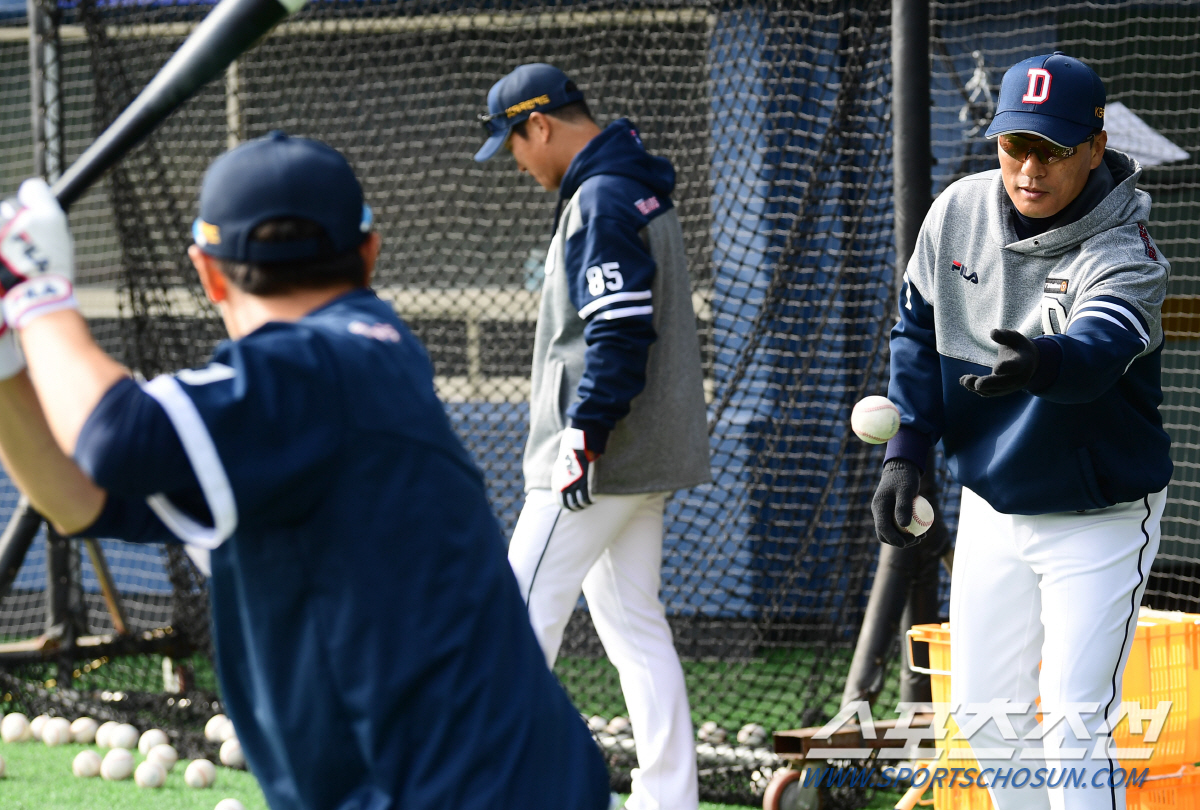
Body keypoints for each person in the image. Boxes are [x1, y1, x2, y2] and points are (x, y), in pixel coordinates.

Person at [0, 132, 612, 810]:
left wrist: (38, 294)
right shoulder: (353, 367)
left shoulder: (321, 367)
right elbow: (77, 499)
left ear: (207, 272)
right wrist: (6, 368)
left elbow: (116, 437)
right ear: (369, 253)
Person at [873, 52, 1171, 810]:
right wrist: (909, 448)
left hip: (1097, 516)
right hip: (993, 505)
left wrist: (1044, 360)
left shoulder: (1127, 252)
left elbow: (1100, 349)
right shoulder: (957, 212)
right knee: (983, 715)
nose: (1030, 169)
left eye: (1054, 150)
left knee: (1076, 726)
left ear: (1096, 149)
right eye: (1016, 146)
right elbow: (917, 329)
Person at [475, 64, 711, 810]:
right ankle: (668, 798)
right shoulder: (630, 182)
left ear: (539, 125)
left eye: (512, 143)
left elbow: (617, 331)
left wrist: (586, 433)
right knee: (635, 626)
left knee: (514, 619)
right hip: (639, 460)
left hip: (596, 461)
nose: (515, 162)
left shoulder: (603, 196)